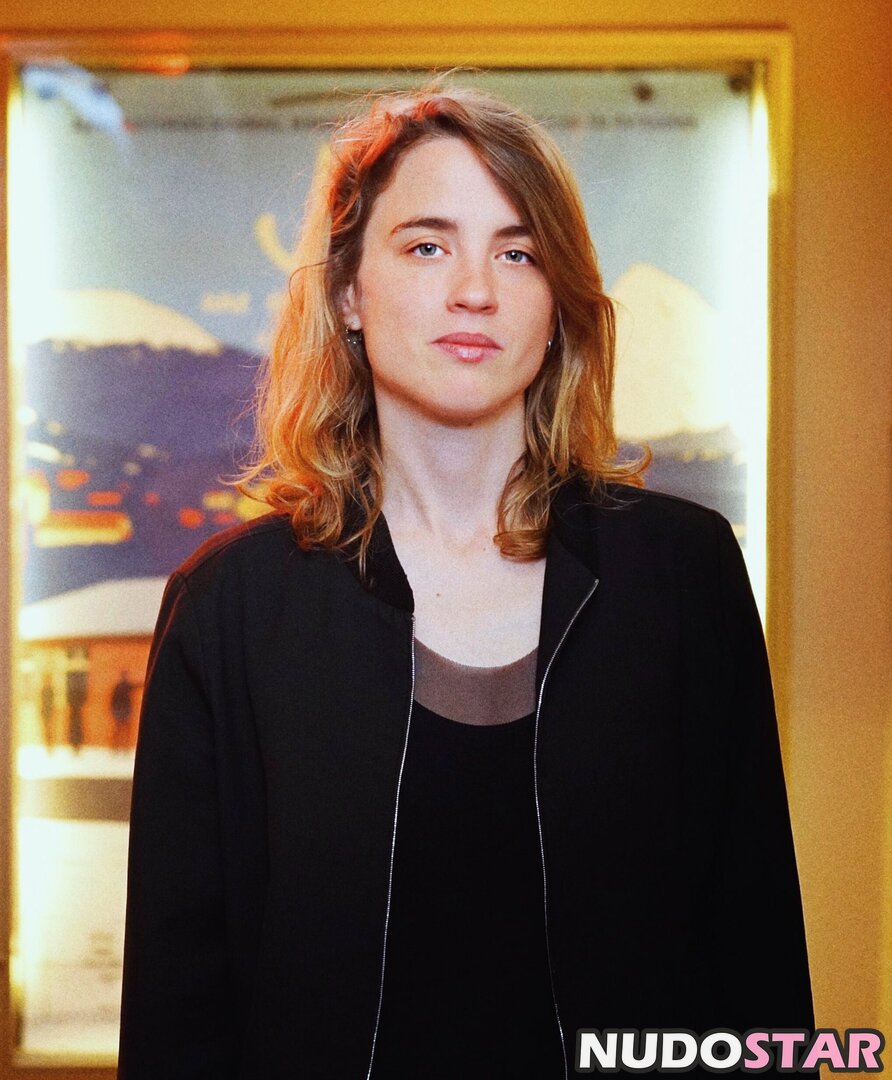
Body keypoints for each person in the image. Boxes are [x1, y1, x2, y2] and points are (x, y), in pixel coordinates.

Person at [119, 87, 813, 1079]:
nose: (476, 290)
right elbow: (178, 1019)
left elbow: (756, 975)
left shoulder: (683, 578)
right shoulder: (230, 608)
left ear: (557, 305)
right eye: (427, 246)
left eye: (518, 253)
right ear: (348, 294)